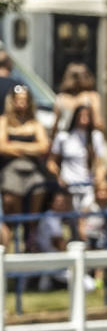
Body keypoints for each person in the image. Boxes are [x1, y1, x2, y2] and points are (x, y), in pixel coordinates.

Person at [49, 102, 107, 244]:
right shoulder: (63, 137)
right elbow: (52, 162)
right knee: (72, 223)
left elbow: (100, 162)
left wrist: (100, 178)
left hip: (87, 186)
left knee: (86, 219)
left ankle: (89, 247)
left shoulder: (95, 137)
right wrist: (59, 177)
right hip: (69, 187)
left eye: (87, 115)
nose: (84, 118)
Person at [0, 85, 51, 242]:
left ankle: (30, 233)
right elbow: (2, 146)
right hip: (10, 170)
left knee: (39, 188)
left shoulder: (35, 123)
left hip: (32, 171)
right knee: (10, 200)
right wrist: (30, 147)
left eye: (24, 100)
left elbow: (44, 146)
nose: (21, 103)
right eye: (18, 100)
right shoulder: (4, 121)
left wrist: (16, 145)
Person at [55, 62, 105, 133]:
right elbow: (97, 122)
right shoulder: (92, 97)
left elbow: (56, 125)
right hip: (84, 138)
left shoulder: (61, 98)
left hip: (65, 139)